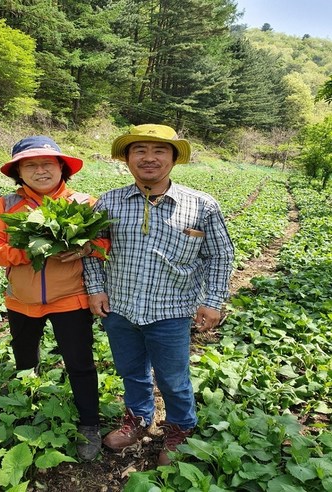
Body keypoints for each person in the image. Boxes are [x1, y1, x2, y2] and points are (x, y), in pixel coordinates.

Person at [82, 124, 234, 465]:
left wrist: (212, 301)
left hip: (172, 310)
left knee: (173, 377)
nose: (149, 158)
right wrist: (95, 289)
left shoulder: (201, 205)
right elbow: (91, 250)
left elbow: (221, 256)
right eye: (140, 151)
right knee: (130, 370)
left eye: (159, 151)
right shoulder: (109, 202)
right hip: (120, 307)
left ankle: (179, 427)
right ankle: (138, 418)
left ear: (174, 159)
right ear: (127, 159)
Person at [0, 136, 108, 461]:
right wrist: (30, 249)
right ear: (18, 173)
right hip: (22, 301)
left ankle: (89, 425)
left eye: (47, 164)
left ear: (62, 168)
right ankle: (25, 408)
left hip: (71, 299)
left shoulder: (84, 203)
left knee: (79, 364)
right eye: (30, 165)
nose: (40, 170)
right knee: (25, 359)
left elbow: (107, 246)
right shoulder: (6, 206)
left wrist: (86, 247)